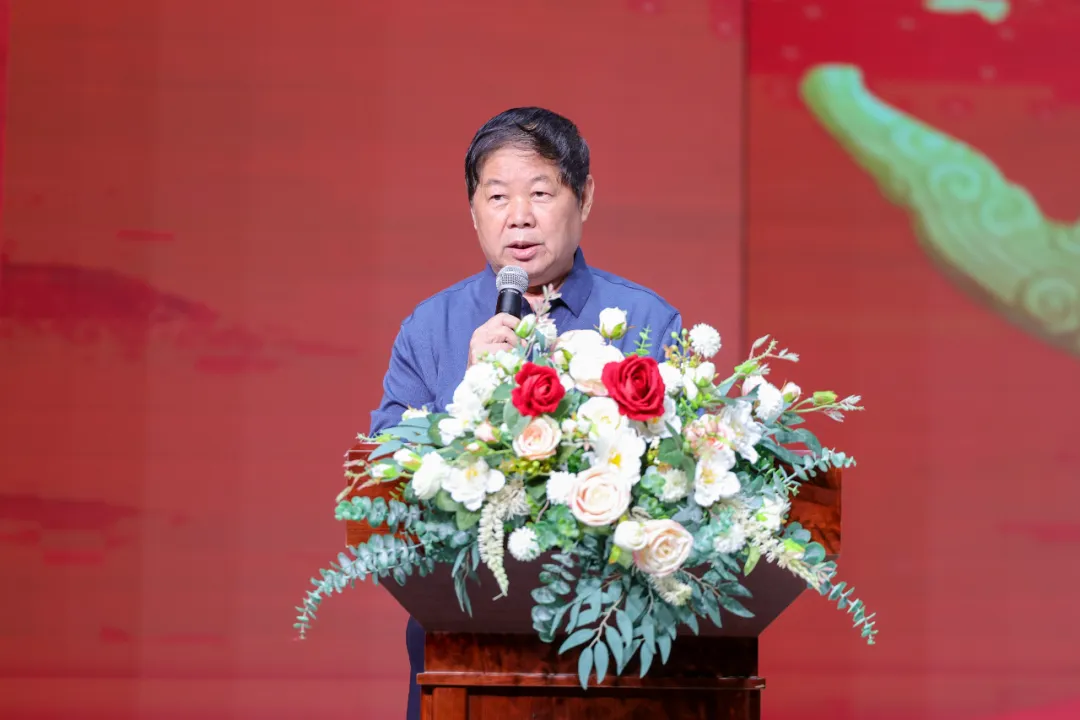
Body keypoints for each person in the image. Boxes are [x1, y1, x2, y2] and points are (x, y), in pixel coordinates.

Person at [368, 106, 681, 720]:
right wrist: (469, 391)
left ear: (584, 198)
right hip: (462, 651)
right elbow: (386, 475)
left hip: (613, 648)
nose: (519, 217)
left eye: (540, 193)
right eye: (497, 197)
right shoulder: (430, 329)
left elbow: (678, 472)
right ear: (473, 211)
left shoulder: (646, 323)